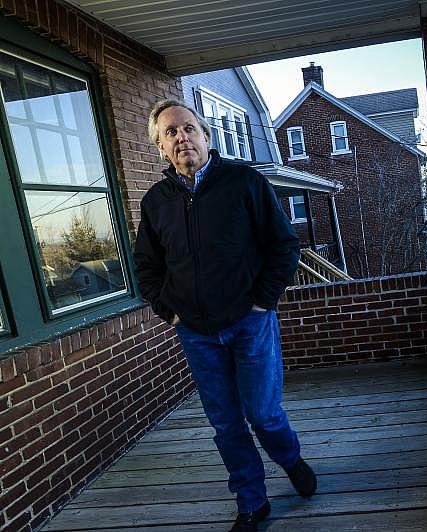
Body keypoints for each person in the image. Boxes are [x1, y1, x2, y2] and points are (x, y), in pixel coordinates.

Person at [134, 99, 316, 532]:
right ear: (161, 147)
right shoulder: (156, 201)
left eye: (189, 128)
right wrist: (169, 311)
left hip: (249, 322)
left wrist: (262, 303)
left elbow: (284, 246)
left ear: (206, 136)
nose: (182, 138)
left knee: (263, 414)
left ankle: (290, 459)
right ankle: (252, 502)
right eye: (171, 133)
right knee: (225, 423)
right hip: (195, 331)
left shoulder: (243, 182)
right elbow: (146, 265)